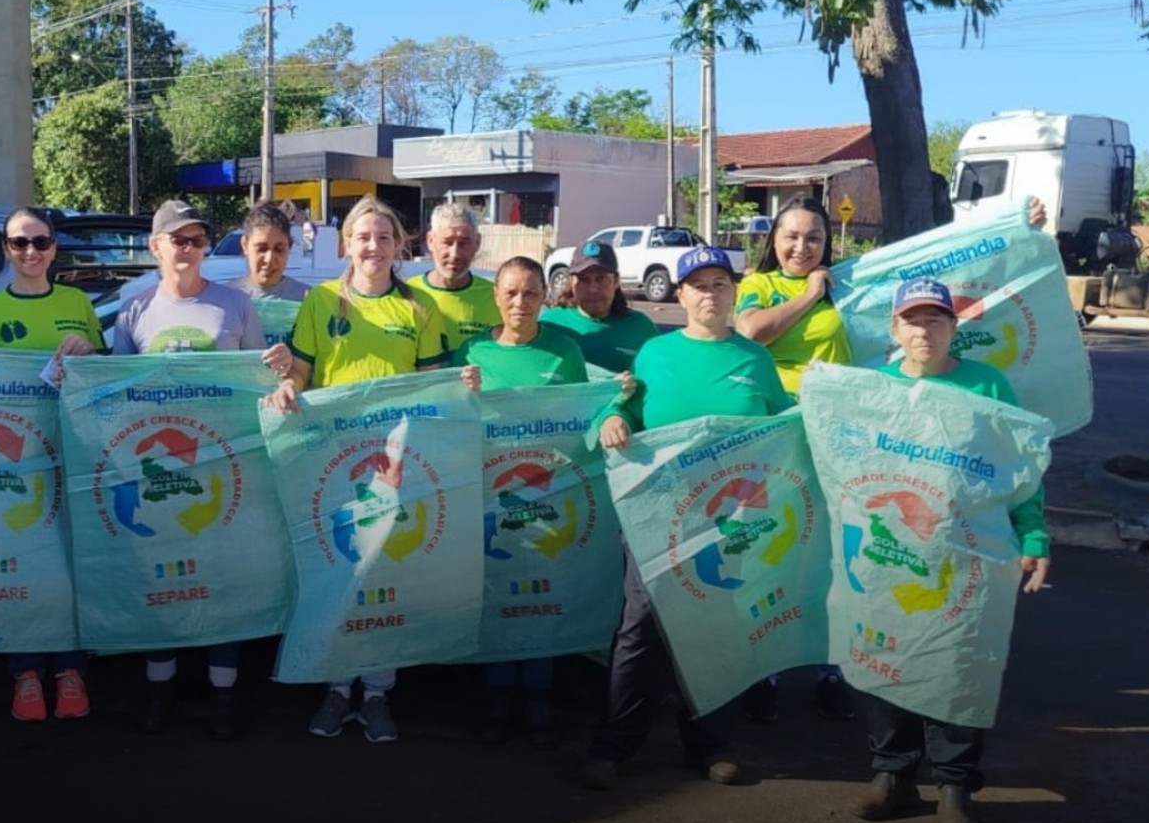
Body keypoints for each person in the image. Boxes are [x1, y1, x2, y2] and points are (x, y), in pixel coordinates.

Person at [583, 244, 792, 790]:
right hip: (658, 515)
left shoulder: (755, 359)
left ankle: (709, 744)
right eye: (698, 285)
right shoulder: (655, 354)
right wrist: (611, 419)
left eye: (720, 284)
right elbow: (620, 406)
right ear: (680, 295)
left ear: (734, 292)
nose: (710, 294)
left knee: (718, 627)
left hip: (730, 522)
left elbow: (786, 426)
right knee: (641, 628)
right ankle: (615, 744)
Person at [849, 278, 1051, 823]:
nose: (923, 330)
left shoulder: (987, 385)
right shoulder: (874, 390)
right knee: (888, 659)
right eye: (912, 320)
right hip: (891, 553)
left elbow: (1019, 469)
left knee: (959, 663)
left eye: (935, 320)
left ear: (953, 327)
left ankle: (954, 785)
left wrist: (1034, 536)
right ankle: (892, 773)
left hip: (970, 553)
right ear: (894, 329)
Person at [269, 196, 449, 743]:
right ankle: (335, 686)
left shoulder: (420, 308)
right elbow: (302, 373)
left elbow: (433, 386)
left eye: (384, 237)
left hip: (395, 463)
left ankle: (376, 693)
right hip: (331, 461)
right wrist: (287, 386)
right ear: (347, 243)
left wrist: (458, 387)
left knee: (384, 573)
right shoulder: (322, 301)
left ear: (399, 246)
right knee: (337, 570)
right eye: (363, 237)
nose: (374, 246)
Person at [112, 200, 291, 740]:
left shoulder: (236, 305)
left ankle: (224, 691)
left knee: (221, 580)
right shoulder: (133, 311)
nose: (189, 248)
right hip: (156, 475)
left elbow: (259, 385)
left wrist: (282, 370)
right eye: (178, 239)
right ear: (155, 246)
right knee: (161, 578)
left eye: (197, 240)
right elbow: (113, 396)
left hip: (222, 469)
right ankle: (160, 686)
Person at [0, 206, 107, 722]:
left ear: (54, 247)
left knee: (71, 560)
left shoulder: (78, 303)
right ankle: (25, 671)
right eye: (19, 243)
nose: (31, 252)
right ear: (5, 249)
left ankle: (71, 668)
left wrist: (89, 353)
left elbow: (101, 374)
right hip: (15, 462)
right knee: (21, 559)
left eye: (40, 242)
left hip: (72, 451)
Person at [453, 256, 588, 749]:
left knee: (541, 594)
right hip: (489, 494)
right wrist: (461, 391)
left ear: (544, 298)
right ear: (495, 296)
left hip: (547, 493)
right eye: (510, 292)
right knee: (498, 593)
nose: (520, 303)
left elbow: (584, 415)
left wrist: (615, 403)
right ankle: (497, 694)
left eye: (531, 293)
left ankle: (537, 694)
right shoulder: (472, 351)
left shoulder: (564, 351)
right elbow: (446, 415)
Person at [733, 197, 855, 723]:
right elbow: (750, 333)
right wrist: (808, 295)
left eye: (814, 238)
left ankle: (831, 670)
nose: (802, 247)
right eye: (792, 236)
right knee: (774, 548)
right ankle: (768, 668)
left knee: (832, 553)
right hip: (777, 435)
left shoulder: (846, 285)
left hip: (836, 435)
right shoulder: (760, 286)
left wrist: (1022, 228)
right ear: (774, 240)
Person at [540, 240, 662, 375]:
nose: (593, 289)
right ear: (571, 282)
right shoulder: (549, 325)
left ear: (616, 281)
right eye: (584, 279)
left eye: (601, 278)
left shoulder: (641, 329)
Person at [408, 203, 500, 361]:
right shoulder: (407, 294)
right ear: (430, 241)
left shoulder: (497, 298)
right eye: (447, 242)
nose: (455, 253)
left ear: (477, 243)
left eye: (464, 243)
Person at [226, 200, 312, 306]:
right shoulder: (226, 299)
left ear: (289, 248)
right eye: (262, 249)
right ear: (245, 245)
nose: (269, 259)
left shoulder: (308, 299)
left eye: (279, 249)